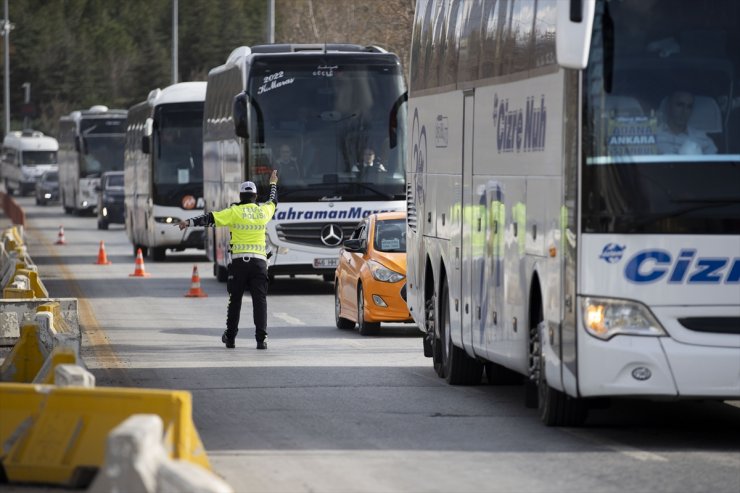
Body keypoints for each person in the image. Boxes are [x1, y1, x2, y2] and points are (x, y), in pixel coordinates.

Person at [177, 170, 279, 350]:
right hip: (259, 264)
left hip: (239, 264)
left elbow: (210, 218)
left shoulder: (234, 211)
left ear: (241, 196)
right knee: (260, 300)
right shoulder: (263, 212)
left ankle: (230, 338)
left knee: (235, 301)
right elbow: (273, 201)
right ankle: (261, 340)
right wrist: (273, 183)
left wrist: (189, 222)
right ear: (255, 196)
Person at [656, 90, 718, 155]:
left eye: (689, 107)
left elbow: (715, 163)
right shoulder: (653, 136)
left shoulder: (703, 139)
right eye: (680, 105)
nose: (684, 111)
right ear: (669, 106)